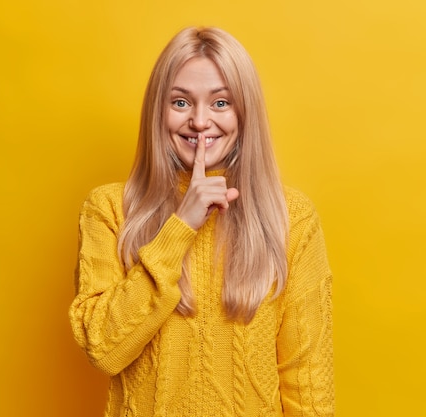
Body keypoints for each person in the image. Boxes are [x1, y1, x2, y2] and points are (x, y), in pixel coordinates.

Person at [69, 27, 334, 417]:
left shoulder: (291, 218)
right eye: (180, 102)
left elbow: (307, 384)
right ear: (158, 111)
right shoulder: (109, 210)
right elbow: (105, 349)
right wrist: (179, 228)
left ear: (245, 112)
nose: (199, 120)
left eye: (221, 103)